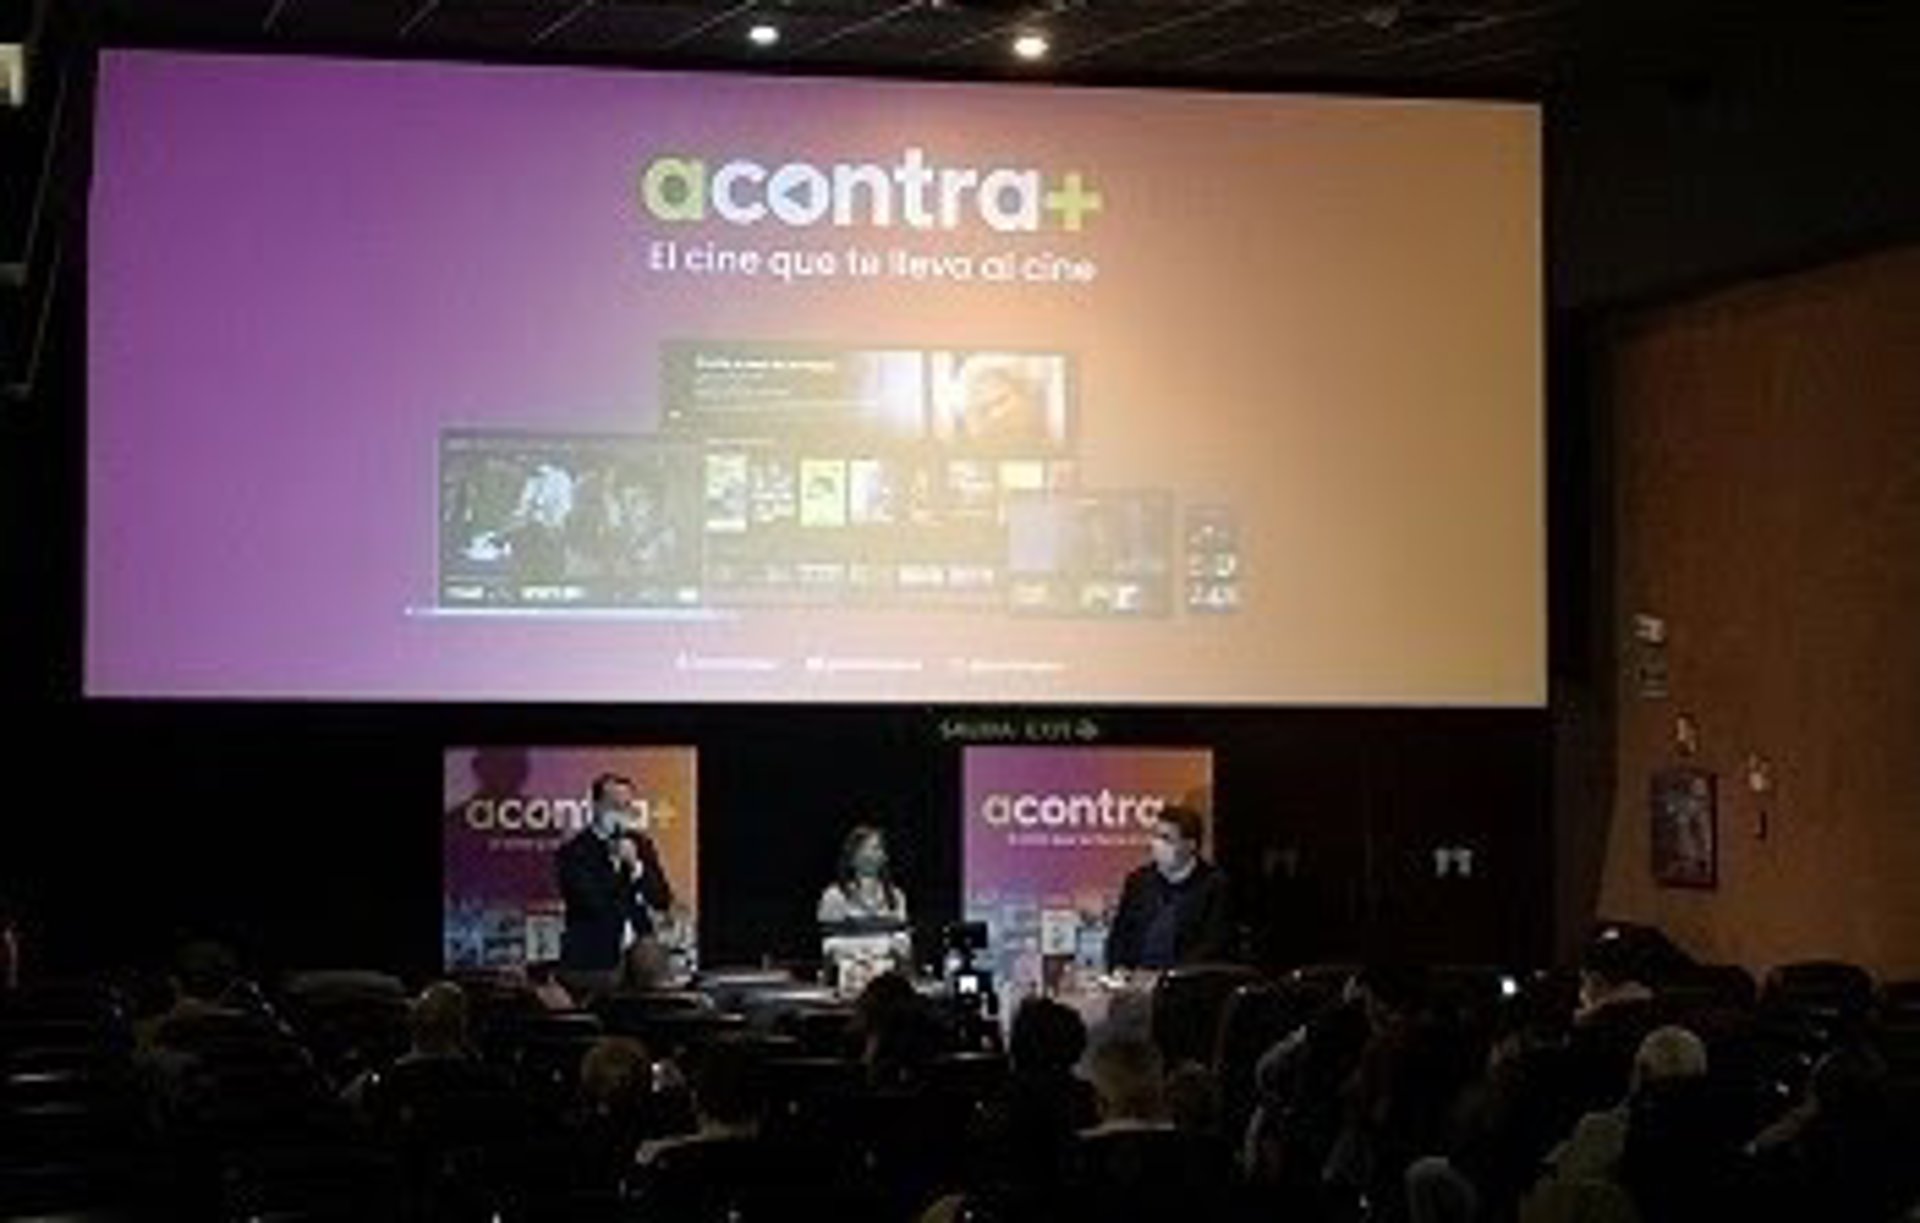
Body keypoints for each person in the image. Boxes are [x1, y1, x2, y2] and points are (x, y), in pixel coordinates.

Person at [556, 773, 673, 992]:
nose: (621, 813)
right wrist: (618, 866)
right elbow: (593, 904)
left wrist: (636, 866)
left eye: (626, 806)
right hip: (594, 956)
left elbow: (662, 899)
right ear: (596, 806)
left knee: (651, 959)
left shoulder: (641, 845)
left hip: (642, 952)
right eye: (614, 806)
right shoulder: (574, 852)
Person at [1104, 805, 1230, 971]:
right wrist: (1119, 968)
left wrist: (1171, 975)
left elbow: (1214, 945)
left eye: (1166, 838)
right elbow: (1118, 936)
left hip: (1183, 978)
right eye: (1155, 836)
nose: (1157, 844)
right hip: (1136, 976)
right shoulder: (1138, 881)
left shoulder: (1213, 884)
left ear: (1190, 845)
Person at [819, 825, 910, 994]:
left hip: (887, 978)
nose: (877, 854)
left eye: (879, 849)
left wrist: (883, 955)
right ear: (853, 857)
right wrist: (862, 955)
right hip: (849, 975)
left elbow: (903, 942)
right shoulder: (834, 896)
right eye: (870, 848)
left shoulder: (896, 896)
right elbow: (829, 945)